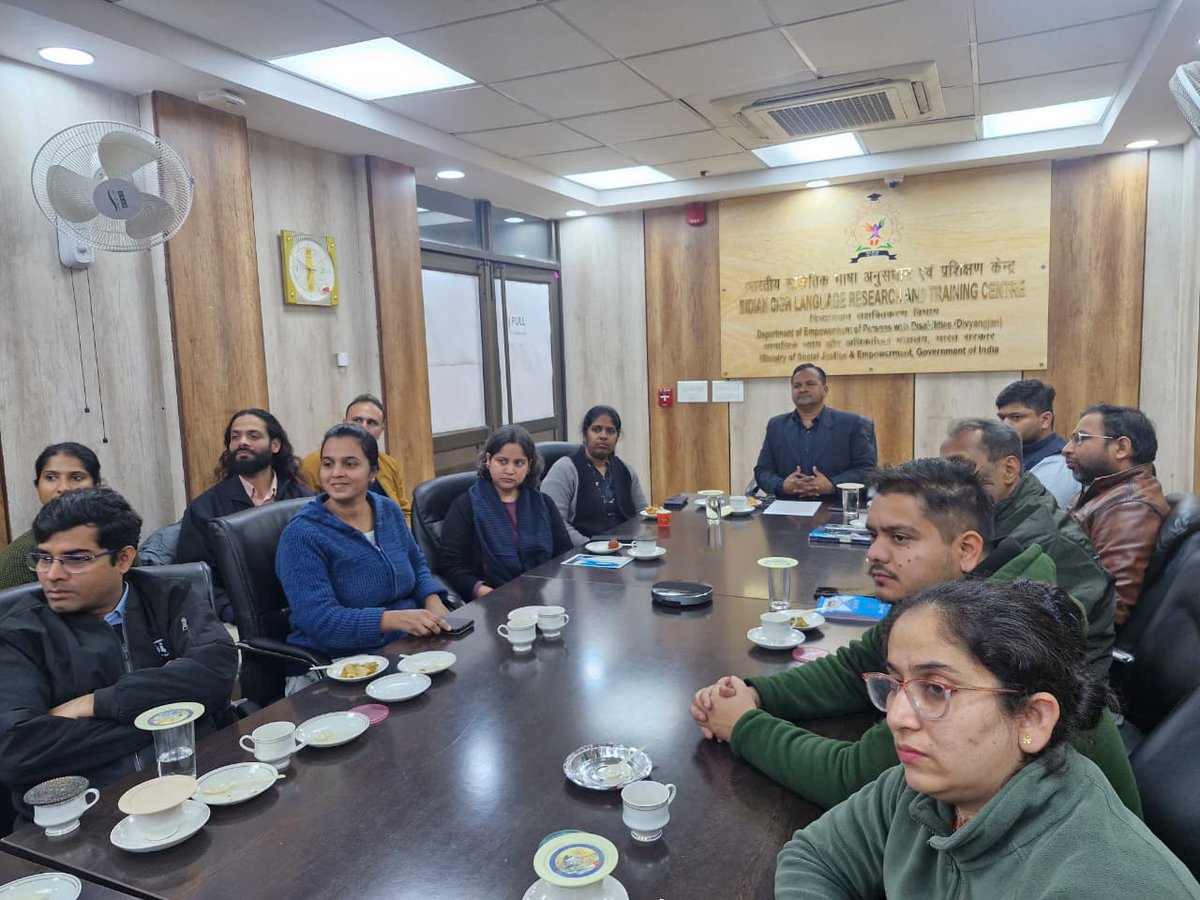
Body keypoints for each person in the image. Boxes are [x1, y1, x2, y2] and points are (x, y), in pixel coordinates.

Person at [688, 458, 1140, 815]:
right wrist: (755, 692)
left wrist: (743, 725)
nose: (874, 553)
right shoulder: (941, 601)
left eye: (900, 538)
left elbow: (855, 780)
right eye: (874, 535)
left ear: (967, 549)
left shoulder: (992, 631)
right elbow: (854, 667)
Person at [775, 580, 1200, 899]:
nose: (898, 717)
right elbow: (813, 857)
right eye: (896, 683)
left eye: (936, 689)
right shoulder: (921, 790)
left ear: (1032, 718)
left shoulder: (1103, 885)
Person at [0, 488, 237, 823]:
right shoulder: (19, 633)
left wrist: (96, 704)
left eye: (75, 559)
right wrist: (173, 718)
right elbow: (17, 751)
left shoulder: (170, 597)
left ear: (124, 559)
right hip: (84, 816)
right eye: (44, 558)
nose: (52, 575)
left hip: (199, 785)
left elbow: (218, 670)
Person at [940, 418, 1116, 672]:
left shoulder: (1046, 539)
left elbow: (1026, 639)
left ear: (1009, 469)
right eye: (944, 468)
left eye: (960, 467)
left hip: (1060, 679)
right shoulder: (992, 516)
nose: (946, 481)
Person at [276, 424, 451, 667]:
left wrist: (432, 599)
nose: (336, 473)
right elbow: (320, 621)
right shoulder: (302, 535)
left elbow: (416, 563)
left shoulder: (388, 510)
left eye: (350, 464)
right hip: (340, 663)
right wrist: (392, 620)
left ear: (373, 472)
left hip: (407, 645)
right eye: (328, 464)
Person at [176, 408, 313, 623]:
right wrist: (234, 614)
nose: (242, 442)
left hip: (306, 613)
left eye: (253, 436)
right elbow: (195, 580)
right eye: (235, 437)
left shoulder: (305, 501)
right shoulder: (204, 510)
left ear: (275, 445)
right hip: (239, 623)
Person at [1064, 404, 1169, 626]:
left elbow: (1112, 607)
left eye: (1080, 438)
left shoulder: (1130, 506)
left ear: (1121, 447)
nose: (1067, 449)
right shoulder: (1107, 492)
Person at [440, 425, 572, 600]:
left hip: (543, 596)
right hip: (491, 601)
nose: (510, 470)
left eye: (519, 463)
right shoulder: (466, 506)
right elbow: (451, 565)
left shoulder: (543, 503)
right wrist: (485, 593)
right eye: (502, 461)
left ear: (529, 466)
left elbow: (565, 554)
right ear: (488, 460)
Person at [753, 363, 876, 499]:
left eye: (810, 384)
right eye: (797, 386)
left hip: (835, 504)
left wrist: (832, 485)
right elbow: (763, 471)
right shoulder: (776, 425)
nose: (802, 389)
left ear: (825, 390)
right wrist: (782, 485)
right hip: (788, 505)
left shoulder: (851, 424)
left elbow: (867, 470)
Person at [541, 405, 649, 547]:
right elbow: (555, 523)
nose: (603, 436)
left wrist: (641, 543)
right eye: (596, 429)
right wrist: (590, 546)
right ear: (585, 434)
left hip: (626, 548)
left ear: (617, 438)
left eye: (610, 431)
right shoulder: (565, 470)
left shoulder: (625, 469)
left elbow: (643, 514)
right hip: (582, 552)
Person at [0, 442, 101, 590]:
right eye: (51, 477)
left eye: (77, 477)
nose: (63, 488)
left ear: (97, 486)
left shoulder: (120, 539)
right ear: (38, 486)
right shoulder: (17, 558)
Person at [298, 393, 411, 520]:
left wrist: (402, 530)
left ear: (381, 429)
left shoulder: (388, 463)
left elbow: (404, 510)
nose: (363, 427)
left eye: (371, 423)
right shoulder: (312, 464)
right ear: (344, 423)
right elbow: (306, 511)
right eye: (357, 420)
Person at [995, 378, 1078, 507]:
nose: (1005, 425)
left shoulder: (1061, 466)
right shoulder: (1008, 456)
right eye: (1002, 418)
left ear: (1045, 420)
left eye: (1016, 417)